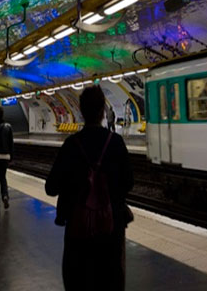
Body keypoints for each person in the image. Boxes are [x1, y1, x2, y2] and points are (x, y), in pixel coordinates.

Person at [46, 86, 134, 290]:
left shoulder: (71, 145)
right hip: (111, 229)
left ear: (81, 111)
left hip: (79, 231)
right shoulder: (116, 143)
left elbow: (51, 187)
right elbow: (128, 182)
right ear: (103, 111)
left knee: (79, 281)